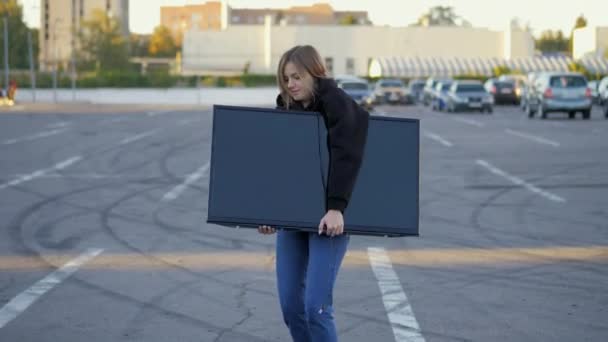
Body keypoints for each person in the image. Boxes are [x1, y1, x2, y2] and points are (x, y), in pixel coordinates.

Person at [257, 45, 369, 342]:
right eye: (285, 78)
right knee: (292, 308)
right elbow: (279, 166)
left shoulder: (339, 104)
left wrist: (336, 207)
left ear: (315, 73)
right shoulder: (285, 109)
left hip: (329, 221)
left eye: (296, 76)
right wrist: (269, 212)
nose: (291, 84)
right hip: (292, 220)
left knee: (316, 308)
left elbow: (348, 156)